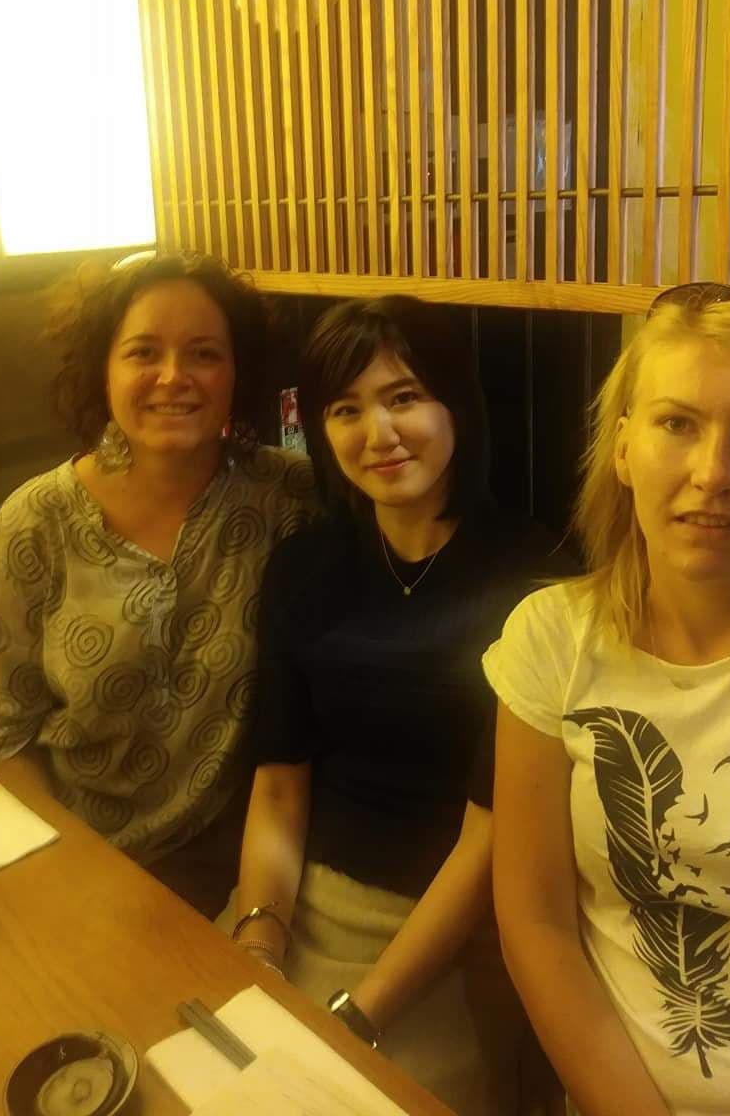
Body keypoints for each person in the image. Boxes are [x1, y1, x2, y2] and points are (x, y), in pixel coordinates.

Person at [486, 283, 730, 1116]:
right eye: (678, 424)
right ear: (623, 448)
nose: (712, 474)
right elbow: (536, 922)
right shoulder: (552, 638)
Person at [226, 295, 564, 1115]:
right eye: (346, 409)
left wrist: (361, 1012)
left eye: (404, 397)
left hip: (458, 932)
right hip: (301, 899)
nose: (377, 433)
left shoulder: (538, 578)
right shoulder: (304, 566)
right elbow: (280, 782)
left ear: (457, 407)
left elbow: (494, 836)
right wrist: (259, 942)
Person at [0, 252, 315, 917]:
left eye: (204, 353)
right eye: (143, 352)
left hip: (243, 857)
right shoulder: (34, 525)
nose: (173, 377)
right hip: (75, 856)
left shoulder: (286, 497)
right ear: (104, 368)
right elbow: (0, 733)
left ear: (237, 372)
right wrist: (67, 875)